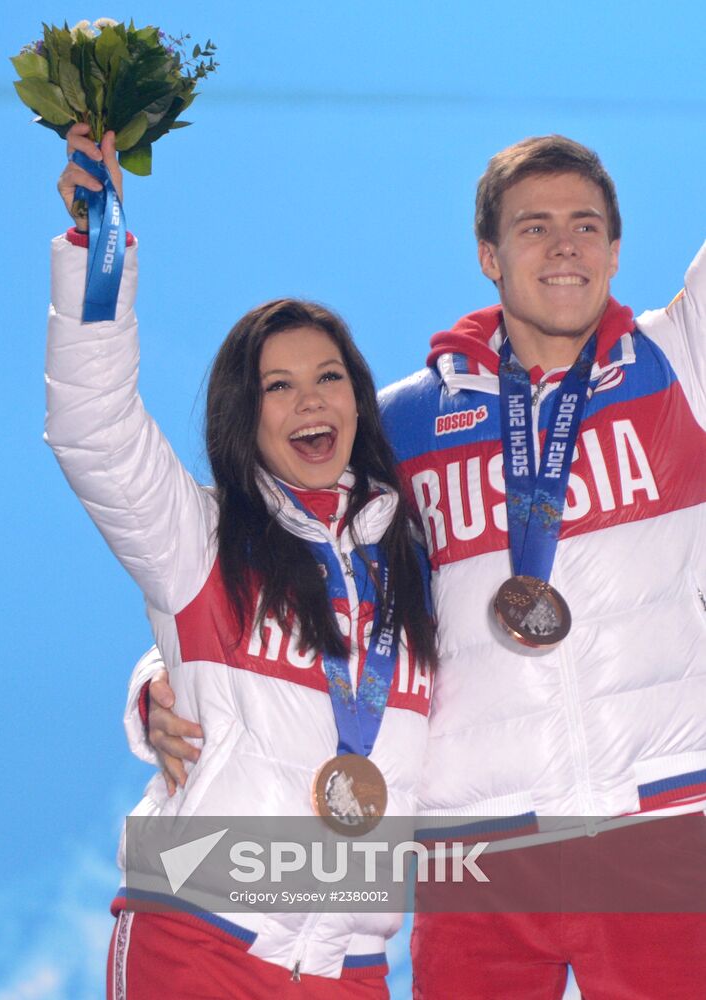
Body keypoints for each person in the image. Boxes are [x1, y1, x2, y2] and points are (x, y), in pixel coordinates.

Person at [142, 135, 706, 998]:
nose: (564, 246)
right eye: (534, 227)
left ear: (617, 249)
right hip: (475, 854)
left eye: (586, 225)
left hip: (659, 822)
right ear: (488, 254)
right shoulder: (400, 428)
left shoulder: (679, 365)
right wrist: (160, 682)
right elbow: (288, 564)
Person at [47, 123, 437, 1000]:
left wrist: (156, 680)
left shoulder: (416, 572)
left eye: (330, 377)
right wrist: (94, 248)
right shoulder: (202, 541)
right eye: (279, 384)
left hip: (351, 970)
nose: (310, 400)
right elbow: (94, 432)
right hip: (199, 946)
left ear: (360, 400)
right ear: (246, 416)